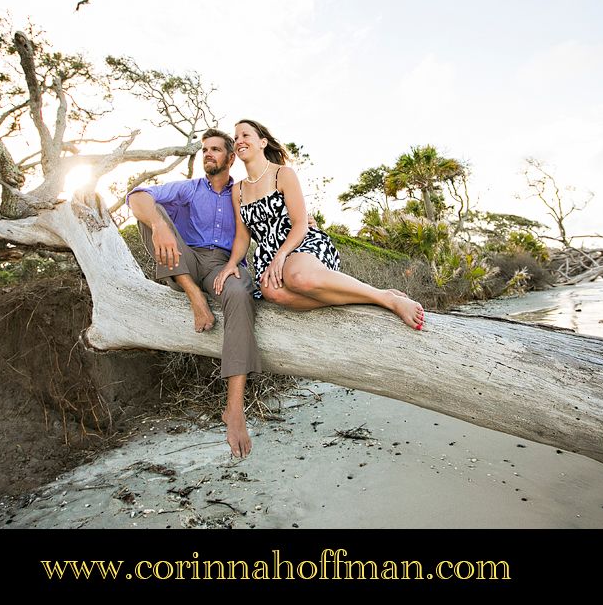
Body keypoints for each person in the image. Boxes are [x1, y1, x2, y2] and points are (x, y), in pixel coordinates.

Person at [214, 119, 425, 331]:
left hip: (300, 243)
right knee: (272, 292)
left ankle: (385, 297)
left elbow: (300, 224)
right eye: (236, 138)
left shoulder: (282, 174)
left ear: (263, 142)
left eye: (245, 135)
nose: (239, 140)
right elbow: (243, 236)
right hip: (268, 255)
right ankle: (369, 299)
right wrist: (232, 264)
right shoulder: (238, 189)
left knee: (298, 277)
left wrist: (281, 256)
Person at [127, 129, 258, 458]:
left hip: (222, 266)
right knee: (151, 214)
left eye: (215, 149)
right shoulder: (188, 189)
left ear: (230, 158)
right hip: (184, 261)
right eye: (204, 150)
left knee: (241, 291)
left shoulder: (242, 192)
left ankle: (235, 408)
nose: (208, 154)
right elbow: (137, 195)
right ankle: (194, 297)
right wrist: (159, 226)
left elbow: (274, 210)